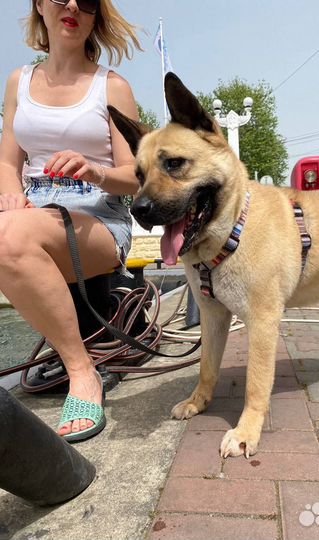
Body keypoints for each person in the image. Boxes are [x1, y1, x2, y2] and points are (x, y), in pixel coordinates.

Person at [0, 0, 142, 442]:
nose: (74, 6)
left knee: (7, 238)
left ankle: (83, 374)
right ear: (40, 5)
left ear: (96, 16)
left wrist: (95, 170)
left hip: (99, 219)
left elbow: (137, 177)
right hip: (30, 216)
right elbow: (8, 161)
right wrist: (11, 196)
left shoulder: (112, 87)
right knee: (9, 232)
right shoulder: (18, 81)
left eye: (87, 0)